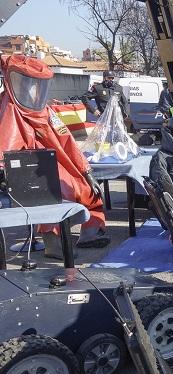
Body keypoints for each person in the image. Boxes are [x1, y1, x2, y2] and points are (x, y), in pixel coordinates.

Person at [0, 54, 109, 258]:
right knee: (54, 194)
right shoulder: (9, 111)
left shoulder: (46, 112)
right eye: (28, 82)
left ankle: (91, 232)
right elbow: (5, 146)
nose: (33, 88)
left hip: (53, 164)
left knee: (88, 190)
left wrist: (87, 171)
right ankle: (52, 242)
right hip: (28, 172)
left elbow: (66, 141)